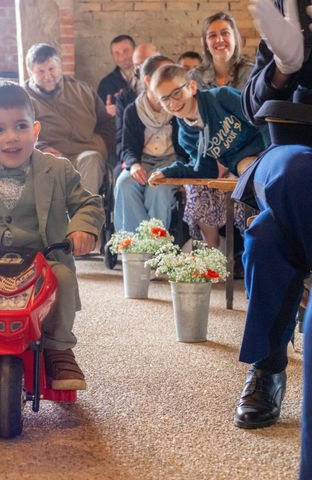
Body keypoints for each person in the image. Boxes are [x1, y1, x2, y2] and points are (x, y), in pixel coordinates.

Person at [0, 82, 104, 392]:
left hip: (43, 256)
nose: (11, 137)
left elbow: (86, 203)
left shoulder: (58, 169)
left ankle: (58, 347)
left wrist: (82, 229)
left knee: (62, 277)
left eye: (21, 126)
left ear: (35, 130)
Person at [233, 1, 311, 478]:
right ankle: (267, 366)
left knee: (266, 237)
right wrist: (284, 68)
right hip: (292, 153)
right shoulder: (292, 8)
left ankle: (268, 365)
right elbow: (251, 103)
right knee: (295, 174)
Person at [147, 64, 267, 248]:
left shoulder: (222, 97)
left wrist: (274, 151)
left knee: (259, 179)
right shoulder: (185, 135)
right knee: (245, 179)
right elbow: (205, 169)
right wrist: (169, 172)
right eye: (164, 99)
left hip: (264, 147)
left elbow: (259, 119)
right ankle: (229, 250)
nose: (172, 103)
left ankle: (270, 241)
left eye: (177, 93)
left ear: (192, 87)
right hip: (242, 162)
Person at [176, 12, 256, 256]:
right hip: (210, 152)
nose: (219, 40)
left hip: (247, 149)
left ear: (235, 38)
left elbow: (256, 120)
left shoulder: (253, 72)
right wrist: (215, 158)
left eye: (225, 33)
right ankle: (213, 253)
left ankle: (252, 250)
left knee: (251, 179)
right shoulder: (194, 78)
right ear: (205, 42)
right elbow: (191, 126)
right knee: (198, 183)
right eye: (212, 35)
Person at [24, 43, 115, 195]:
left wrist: (102, 144)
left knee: (92, 159)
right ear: (30, 72)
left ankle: (84, 215)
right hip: (49, 159)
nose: (47, 76)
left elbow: (106, 123)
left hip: (86, 153)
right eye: (41, 71)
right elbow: (19, 133)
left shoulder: (83, 90)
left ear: (60, 66)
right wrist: (39, 148)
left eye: (51, 69)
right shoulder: (23, 99)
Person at [114, 55, 188, 231]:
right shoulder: (133, 110)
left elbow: (187, 146)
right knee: (124, 185)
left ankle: (155, 246)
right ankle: (134, 246)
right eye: (163, 75)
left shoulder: (177, 105)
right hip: (143, 161)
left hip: (171, 161)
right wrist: (134, 165)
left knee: (158, 189)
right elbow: (128, 147)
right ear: (148, 80)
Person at [97, 34, 137, 109]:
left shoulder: (149, 77)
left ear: (135, 50)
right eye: (117, 53)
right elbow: (99, 115)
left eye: (126, 51)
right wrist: (106, 113)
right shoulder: (105, 83)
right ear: (112, 56)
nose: (122, 57)